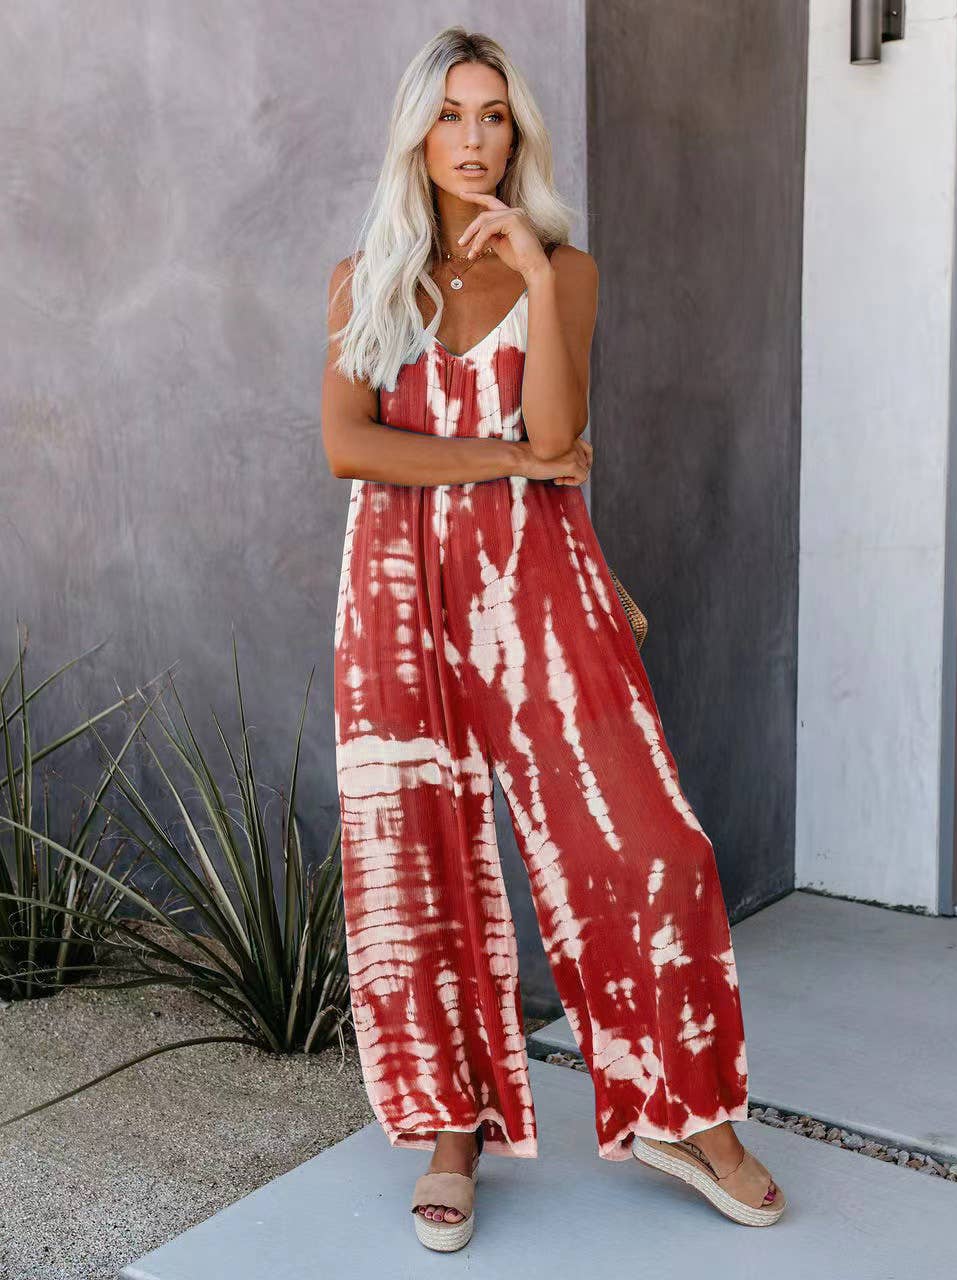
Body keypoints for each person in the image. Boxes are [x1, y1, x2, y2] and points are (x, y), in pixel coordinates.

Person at [321, 24, 786, 1252]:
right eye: (450, 115)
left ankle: (686, 1112)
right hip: (395, 593)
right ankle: (451, 1128)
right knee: (423, 862)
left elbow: (555, 432)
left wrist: (530, 275)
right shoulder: (365, 277)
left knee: (653, 844)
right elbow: (350, 445)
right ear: (416, 134)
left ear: (517, 133)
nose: (473, 139)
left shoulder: (564, 271)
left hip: (537, 579)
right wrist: (502, 464)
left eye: (494, 116)